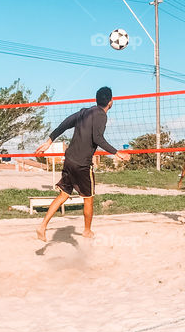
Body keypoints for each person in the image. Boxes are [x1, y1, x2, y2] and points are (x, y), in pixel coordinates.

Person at [33, 86, 130, 241]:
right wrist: (116, 152)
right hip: (82, 164)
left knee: (64, 194)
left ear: (97, 99)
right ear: (111, 102)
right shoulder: (102, 116)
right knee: (88, 198)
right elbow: (97, 138)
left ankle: (43, 225)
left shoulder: (84, 112)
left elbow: (64, 124)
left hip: (69, 159)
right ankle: (87, 231)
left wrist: (49, 141)